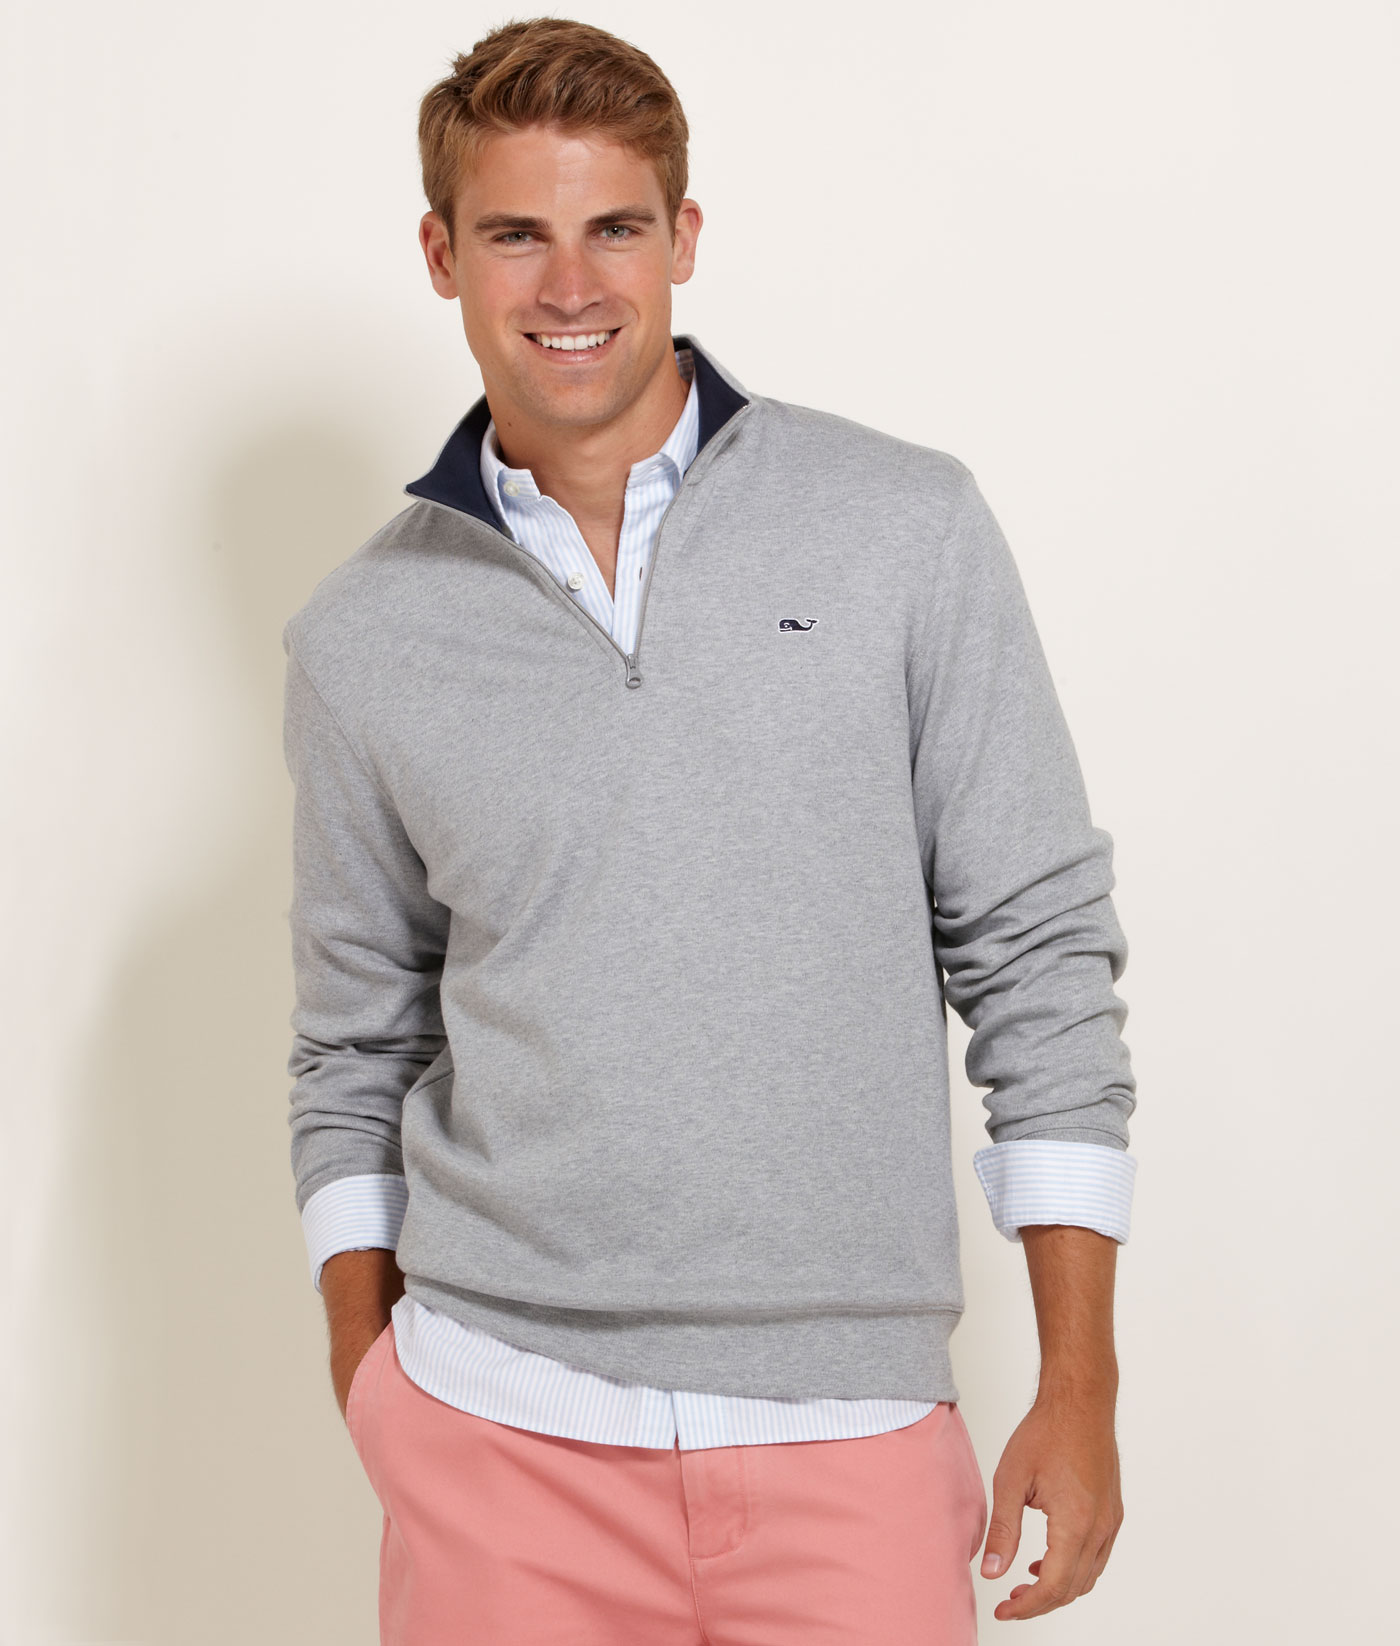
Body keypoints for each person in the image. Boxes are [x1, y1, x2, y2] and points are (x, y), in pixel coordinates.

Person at [279, 17, 1139, 1645]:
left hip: (851, 1429)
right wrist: (371, 1382)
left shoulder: (903, 528)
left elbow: (1036, 957)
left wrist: (1078, 1381)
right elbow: (354, 1042)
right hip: (495, 1433)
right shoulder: (362, 634)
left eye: (613, 226)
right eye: (514, 234)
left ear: (683, 236)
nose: (570, 283)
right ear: (441, 256)